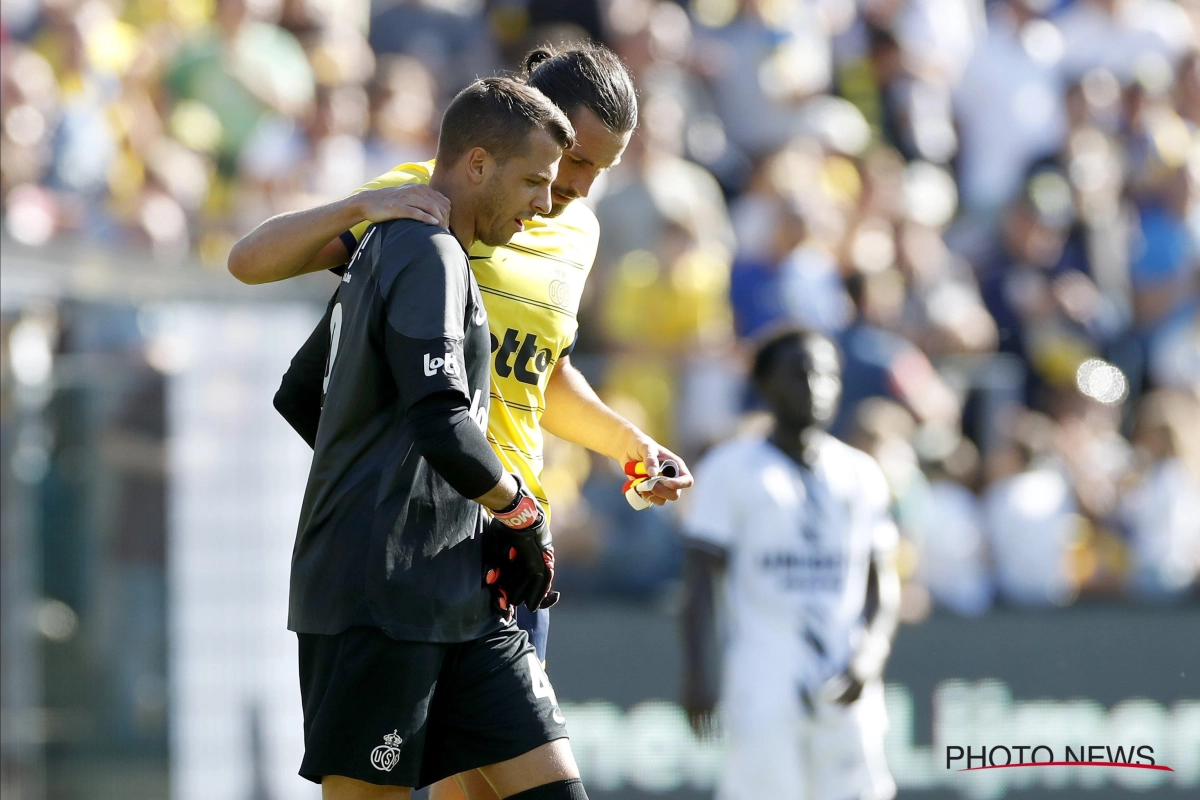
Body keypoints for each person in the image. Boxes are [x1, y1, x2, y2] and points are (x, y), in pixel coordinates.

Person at [229, 45, 694, 800]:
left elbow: (540, 372)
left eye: (595, 174)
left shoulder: (575, 233)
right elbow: (252, 266)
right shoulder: (423, 205)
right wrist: (356, 208)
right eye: (568, 162)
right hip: (415, 537)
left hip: (505, 545)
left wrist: (628, 444)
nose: (570, 191)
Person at [289, 76, 588, 800]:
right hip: (381, 601)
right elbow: (442, 417)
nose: (546, 205)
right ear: (477, 164)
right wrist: (522, 513)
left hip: (460, 591)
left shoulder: (396, 250)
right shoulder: (427, 253)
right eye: (533, 182)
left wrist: (405, 485)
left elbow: (305, 393)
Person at [681, 326, 900, 800]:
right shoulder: (729, 469)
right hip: (763, 679)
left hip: (846, 682)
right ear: (763, 385)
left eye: (827, 375)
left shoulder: (862, 473)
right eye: (800, 373)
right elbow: (698, 582)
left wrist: (870, 656)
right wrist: (699, 675)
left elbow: (881, 582)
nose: (816, 386)